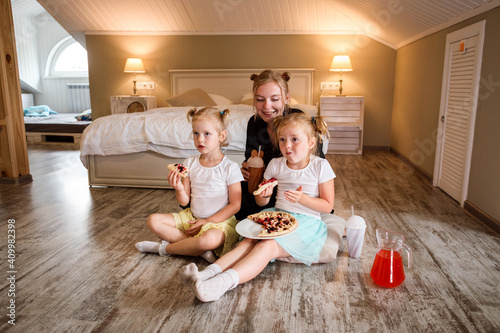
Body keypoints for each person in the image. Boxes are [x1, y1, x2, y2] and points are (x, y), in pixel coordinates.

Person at [179, 112, 335, 302]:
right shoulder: (276, 165)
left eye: (295, 140)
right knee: (248, 241)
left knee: (267, 246)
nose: (287, 145)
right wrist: (264, 195)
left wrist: (302, 199)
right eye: (283, 139)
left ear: (311, 143)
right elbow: (262, 203)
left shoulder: (320, 166)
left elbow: (327, 206)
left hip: (307, 223)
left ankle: (219, 285)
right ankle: (205, 275)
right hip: (277, 216)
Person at [135, 107, 243, 262]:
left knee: (208, 240)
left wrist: (206, 221)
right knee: (153, 220)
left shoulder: (229, 168)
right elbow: (184, 201)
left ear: (221, 135)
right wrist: (179, 188)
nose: (200, 139)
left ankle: (165, 249)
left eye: (207, 134)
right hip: (192, 218)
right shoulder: (190, 163)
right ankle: (197, 249)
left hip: (218, 223)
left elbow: (235, 205)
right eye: (196, 133)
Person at [236, 69, 326, 220]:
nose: (266, 106)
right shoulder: (254, 122)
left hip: (294, 190)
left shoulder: (299, 120)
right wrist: (246, 168)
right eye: (260, 99)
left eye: (274, 99)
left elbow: (317, 165)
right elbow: (251, 156)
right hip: (264, 187)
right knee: (232, 200)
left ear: (286, 98)